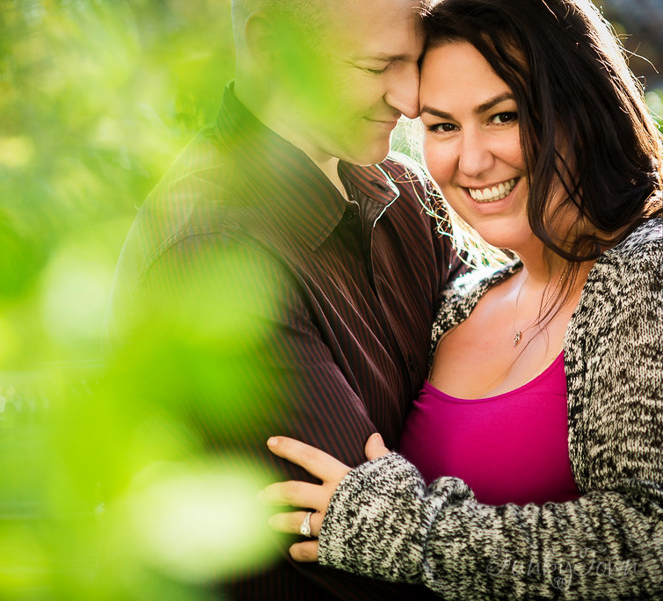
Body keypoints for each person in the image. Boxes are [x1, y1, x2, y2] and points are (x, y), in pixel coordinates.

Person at [262, 0, 663, 598]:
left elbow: (648, 545)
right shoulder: (463, 300)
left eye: (502, 116)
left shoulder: (649, 272)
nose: (471, 162)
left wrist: (417, 536)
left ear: (581, 105)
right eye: (442, 126)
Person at [105, 0, 463, 598]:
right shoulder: (214, 253)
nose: (409, 99)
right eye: (378, 67)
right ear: (271, 48)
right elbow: (362, 563)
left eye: (415, 61)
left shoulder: (408, 195)